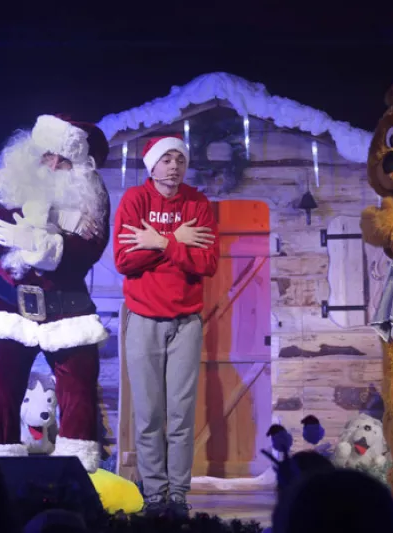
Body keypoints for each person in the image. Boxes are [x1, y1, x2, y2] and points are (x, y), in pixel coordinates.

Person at [0, 114, 111, 473]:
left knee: (79, 394)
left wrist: (42, 243)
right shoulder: (8, 185)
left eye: (63, 160)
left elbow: (90, 247)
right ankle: (0, 472)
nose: (53, 165)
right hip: (11, 305)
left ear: (78, 165)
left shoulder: (92, 196)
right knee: (1, 393)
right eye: (46, 156)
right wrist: (31, 231)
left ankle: (78, 476)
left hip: (68, 309)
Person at [113, 134, 219, 516]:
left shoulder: (197, 203)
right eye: (166, 159)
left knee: (180, 414)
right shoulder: (135, 201)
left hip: (186, 321)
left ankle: (178, 496)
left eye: (180, 159)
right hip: (143, 318)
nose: (174, 166)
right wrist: (177, 240)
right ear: (152, 166)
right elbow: (124, 260)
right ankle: (155, 496)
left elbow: (206, 263)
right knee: (148, 414)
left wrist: (158, 242)